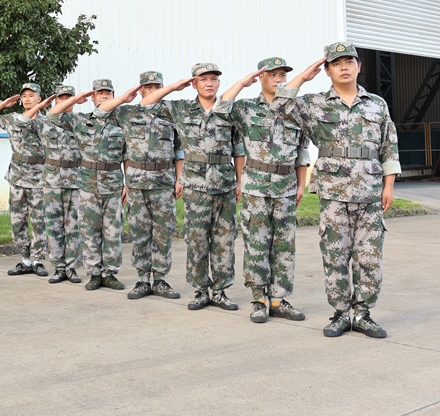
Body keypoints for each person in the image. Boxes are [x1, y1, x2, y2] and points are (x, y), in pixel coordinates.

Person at [271, 43, 401, 339]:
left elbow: (389, 146)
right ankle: (341, 314)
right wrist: (304, 76)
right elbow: (279, 104)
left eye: (349, 61)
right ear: (327, 70)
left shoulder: (376, 104)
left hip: (369, 194)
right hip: (333, 195)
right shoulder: (315, 103)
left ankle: (363, 314)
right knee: (335, 256)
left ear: (359, 67)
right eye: (336, 63)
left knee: (369, 257)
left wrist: (389, 186)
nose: (344, 67)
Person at [141, 63, 246, 311]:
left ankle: (220, 291)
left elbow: (239, 148)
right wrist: (173, 87)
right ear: (194, 83)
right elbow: (146, 105)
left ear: (219, 83)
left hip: (225, 185)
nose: (209, 83)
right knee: (197, 241)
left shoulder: (229, 110)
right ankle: (200, 290)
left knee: (224, 241)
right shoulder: (181, 109)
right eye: (203, 79)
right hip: (195, 187)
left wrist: (241, 181)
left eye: (213, 79)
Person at [214, 58, 310, 324]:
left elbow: (302, 152)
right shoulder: (246, 108)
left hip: (287, 187)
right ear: (261, 78)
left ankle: (278, 299)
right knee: (256, 244)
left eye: (282, 75)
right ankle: (258, 299)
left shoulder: (295, 110)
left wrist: (302, 185)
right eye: (273, 75)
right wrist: (243, 82)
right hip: (256, 188)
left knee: (284, 246)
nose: (279, 80)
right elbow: (220, 107)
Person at [98, 71, 184, 300]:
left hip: (164, 182)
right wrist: (123, 98)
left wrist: (179, 179)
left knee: (163, 231)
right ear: (141, 89)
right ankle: (142, 279)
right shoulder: (128, 112)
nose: (153, 90)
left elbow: (179, 151)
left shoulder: (171, 114)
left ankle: (160, 280)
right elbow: (101, 111)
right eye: (148, 87)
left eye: (157, 86)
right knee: (140, 231)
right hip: (136, 183)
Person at [48, 80, 131, 291]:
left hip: (113, 185)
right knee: (89, 231)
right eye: (99, 93)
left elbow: (127, 156)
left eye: (107, 93)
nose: (103, 96)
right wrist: (75, 99)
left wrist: (127, 183)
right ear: (93, 97)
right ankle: (94, 273)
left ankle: (110, 273)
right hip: (87, 184)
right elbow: (53, 115)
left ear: (113, 95)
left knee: (112, 232)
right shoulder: (80, 120)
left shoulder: (122, 122)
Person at [0, 83, 49, 277]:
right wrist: (3, 104)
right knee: (17, 220)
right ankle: (25, 260)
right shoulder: (11, 119)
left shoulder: (46, 122)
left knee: (38, 220)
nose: (27, 99)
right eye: (24, 96)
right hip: (17, 177)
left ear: (39, 98)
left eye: (31, 95)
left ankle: (38, 261)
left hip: (39, 177)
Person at [22, 86, 83, 284]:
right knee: (54, 226)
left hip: (75, 180)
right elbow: (23, 120)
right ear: (56, 100)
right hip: (51, 182)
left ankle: (72, 268)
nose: (65, 101)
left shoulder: (81, 122)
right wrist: (41, 105)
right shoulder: (44, 123)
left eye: (69, 98)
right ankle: (58, 267)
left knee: (73, 227)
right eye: (61, 98)